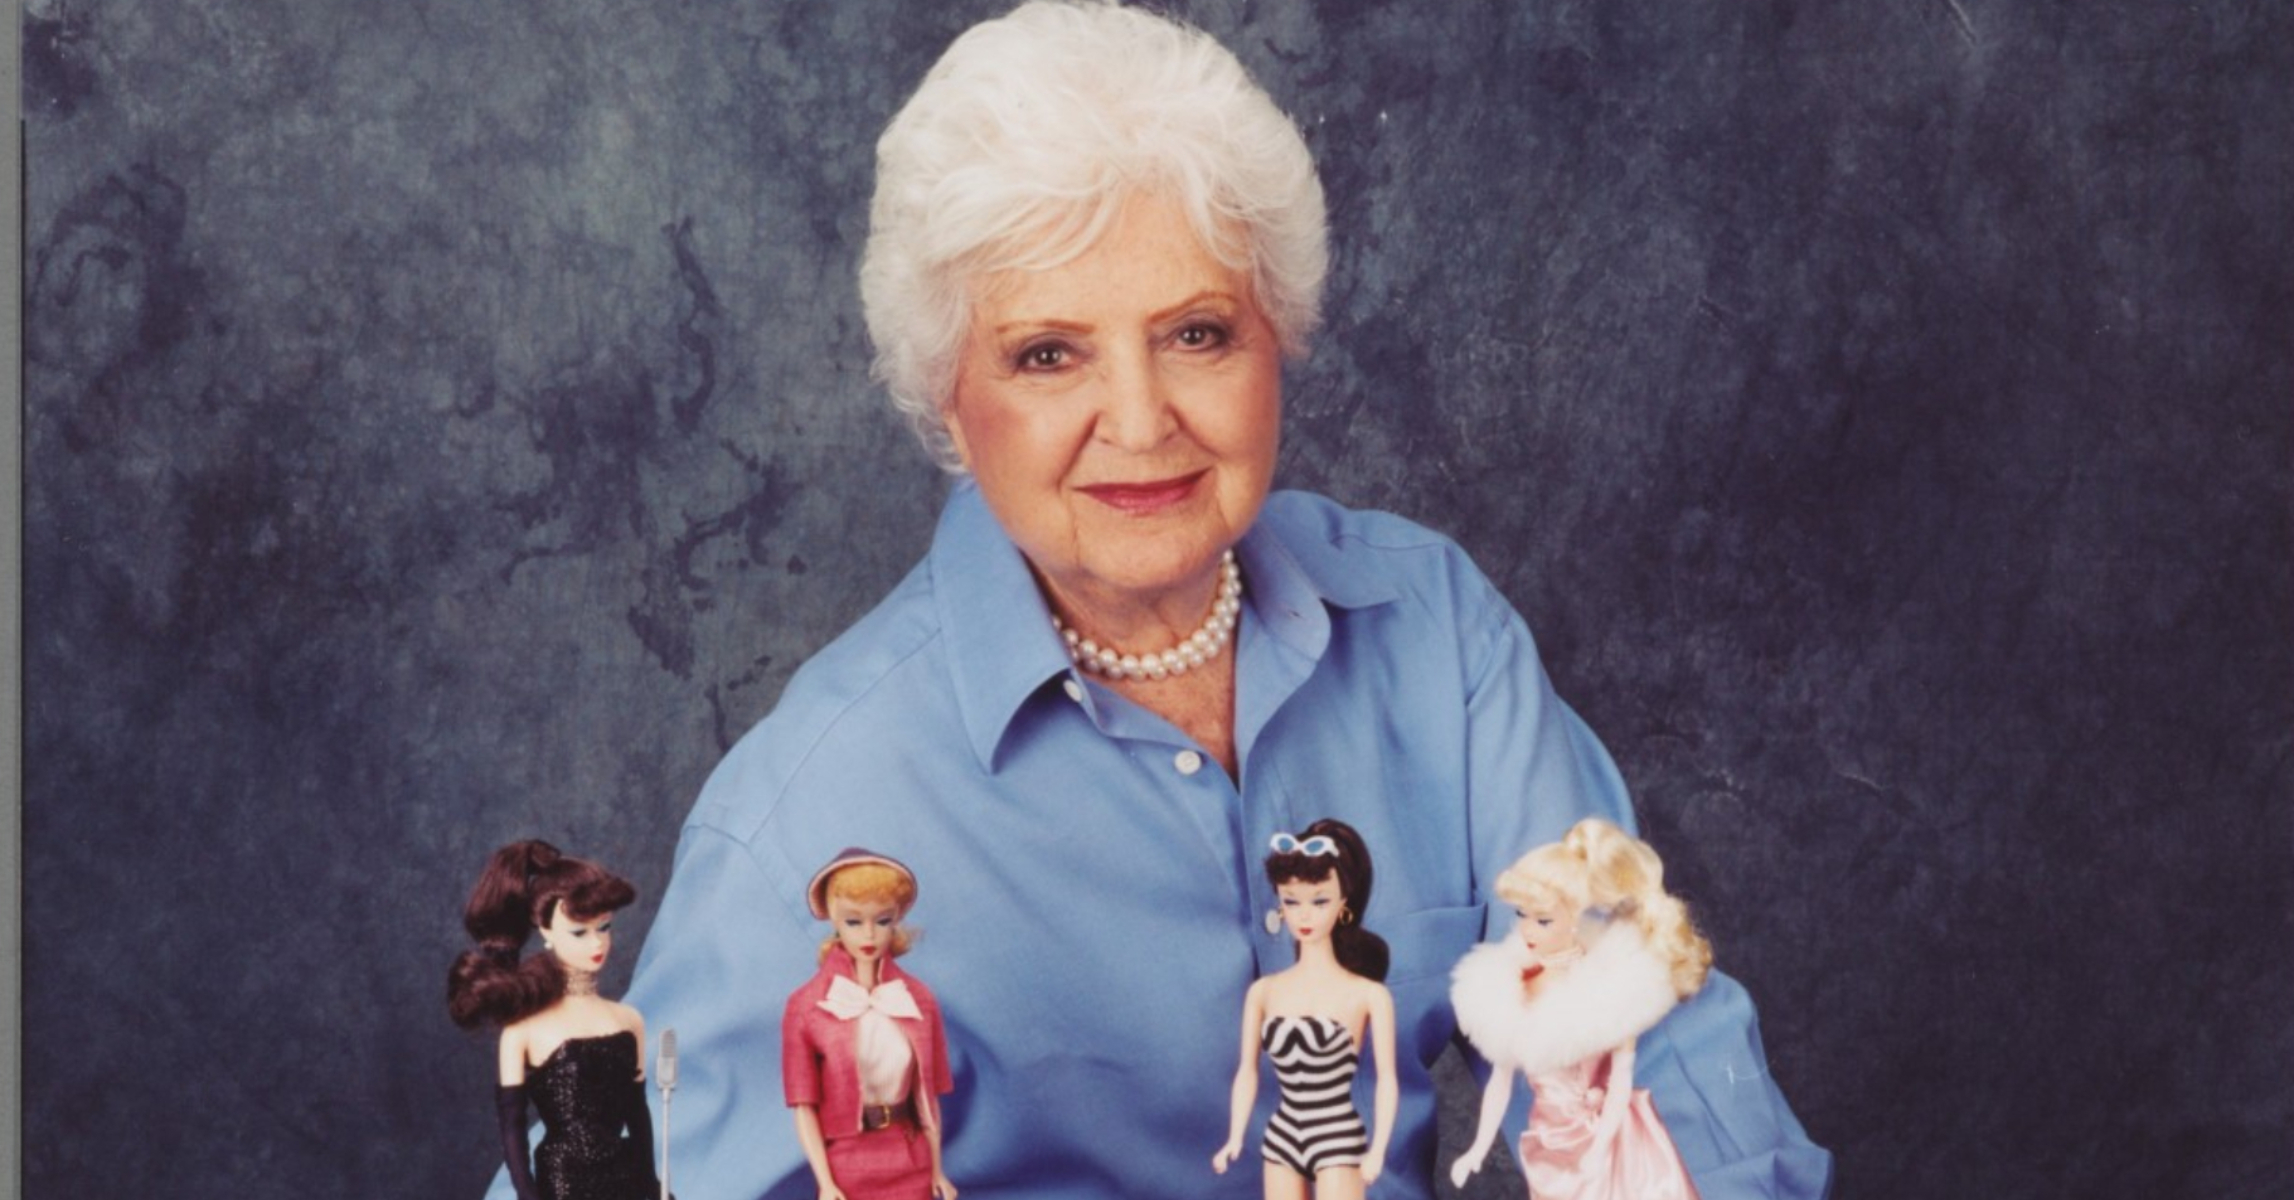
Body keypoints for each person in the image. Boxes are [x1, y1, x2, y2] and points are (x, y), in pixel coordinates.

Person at [489, 2, 1831, 1197]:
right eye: (1047, 354)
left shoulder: (1432, 635)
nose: (1139, 423)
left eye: (1196, 333)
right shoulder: (813, 809)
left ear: (1275, 334)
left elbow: (1641, 1047)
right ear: (948, 399)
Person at [1449, 819, 1710, 1199]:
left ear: (1574, 919)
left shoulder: (1610, 987)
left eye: (1543, 920)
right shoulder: (1516, 985)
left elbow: (1621, 1080)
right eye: (1521, 915)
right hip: (1549, 1140)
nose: (1528, 930)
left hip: (1607, 1140)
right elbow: (1500, 1082)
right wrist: (1477, 1148)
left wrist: (1601, 1147)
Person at [451, 840, 665, 1200]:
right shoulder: (522, 1031)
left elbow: (638, 1116)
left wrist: (653, 1186)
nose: (597, 943)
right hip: (565, 1184)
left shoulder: (629, 1021)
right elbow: (512, 1133)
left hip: (626, 1177)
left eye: (604, 926)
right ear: (545, 931)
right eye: (579, 932)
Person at [1213, 820, 1397, 1198]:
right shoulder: (1264, 991)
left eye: (1319, 901)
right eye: (1291, 901)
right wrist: (1235, 1136)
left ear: (1343, 903)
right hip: (1282, 1135)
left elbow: (1387, 1079)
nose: (1304, 915)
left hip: (1337, 1136)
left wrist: (1378, 1148)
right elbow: (1247, 1070)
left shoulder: (1368, 994)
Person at [783, 850, 957, 1200]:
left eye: (882, 920)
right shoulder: (806, 1006)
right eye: (853, 921)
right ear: (833, 918)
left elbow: (928, 1097)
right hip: (847, 1165)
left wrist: (937, 1169)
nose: (869, 934)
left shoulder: (918, 999)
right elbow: (804, 1105)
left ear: (896, 920)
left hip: (910, 1157)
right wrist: (825, 1182)